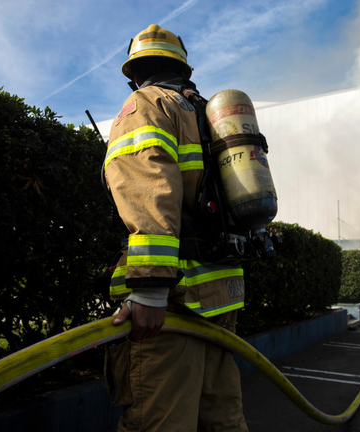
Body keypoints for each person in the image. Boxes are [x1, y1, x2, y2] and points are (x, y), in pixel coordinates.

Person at [103, 24, 249, 431]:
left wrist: (149, 287)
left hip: (173, 303)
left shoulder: (145, 104)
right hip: (221, 295)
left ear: (134, 71)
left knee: (161, 421)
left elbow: (147, 187)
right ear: (183, 68)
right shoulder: (209, 115)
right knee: (222, 418)